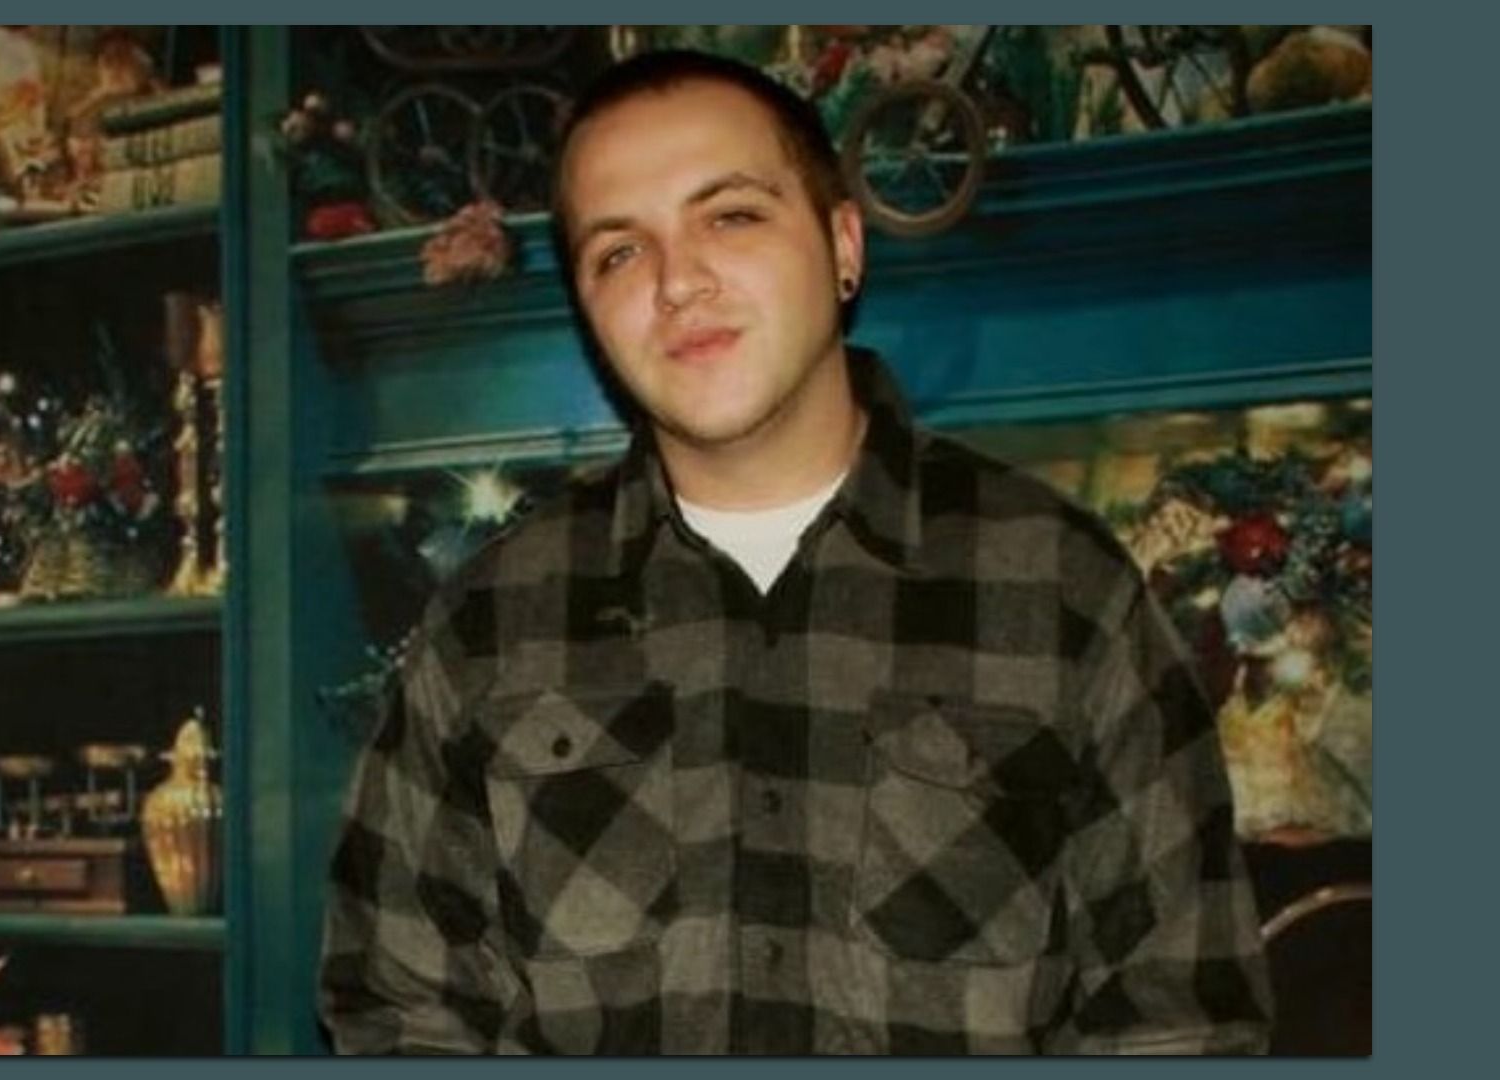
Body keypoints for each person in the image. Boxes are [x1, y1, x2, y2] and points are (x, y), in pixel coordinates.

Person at [318, 48, 1271, 1055]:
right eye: (618, 252)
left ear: (843, 242)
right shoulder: (488, 624)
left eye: (730, 214)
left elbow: (1182, 1023)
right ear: (589, 314)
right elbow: (397, 1009)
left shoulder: (1068, 589)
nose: (679, 281)